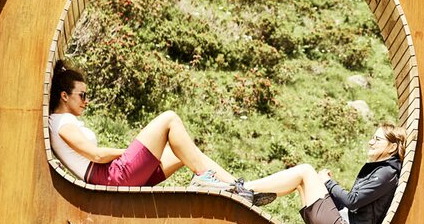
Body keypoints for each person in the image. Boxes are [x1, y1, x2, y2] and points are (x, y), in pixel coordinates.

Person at [48, 60, 272, 203]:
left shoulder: (62, 121)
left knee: (185, 153)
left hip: (113, 177)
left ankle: (236, 188)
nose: (87, 101)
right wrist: (127, 154)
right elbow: (95, 155)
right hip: (112, 178)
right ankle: (205, 179)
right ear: (64, 96)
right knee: (169, 118)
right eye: (83, 95)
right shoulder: (61, 123)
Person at [240, 124, 409, 224]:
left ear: (392, 147)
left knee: (305, 171)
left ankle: (246, 189)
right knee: (301, 183)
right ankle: (252, 194)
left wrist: (328, 182)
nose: (371, 142)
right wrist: (326, 186)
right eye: (372, 138)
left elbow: (353, 201)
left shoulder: (386, 173)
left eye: (377, 139)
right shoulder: (383, 170)